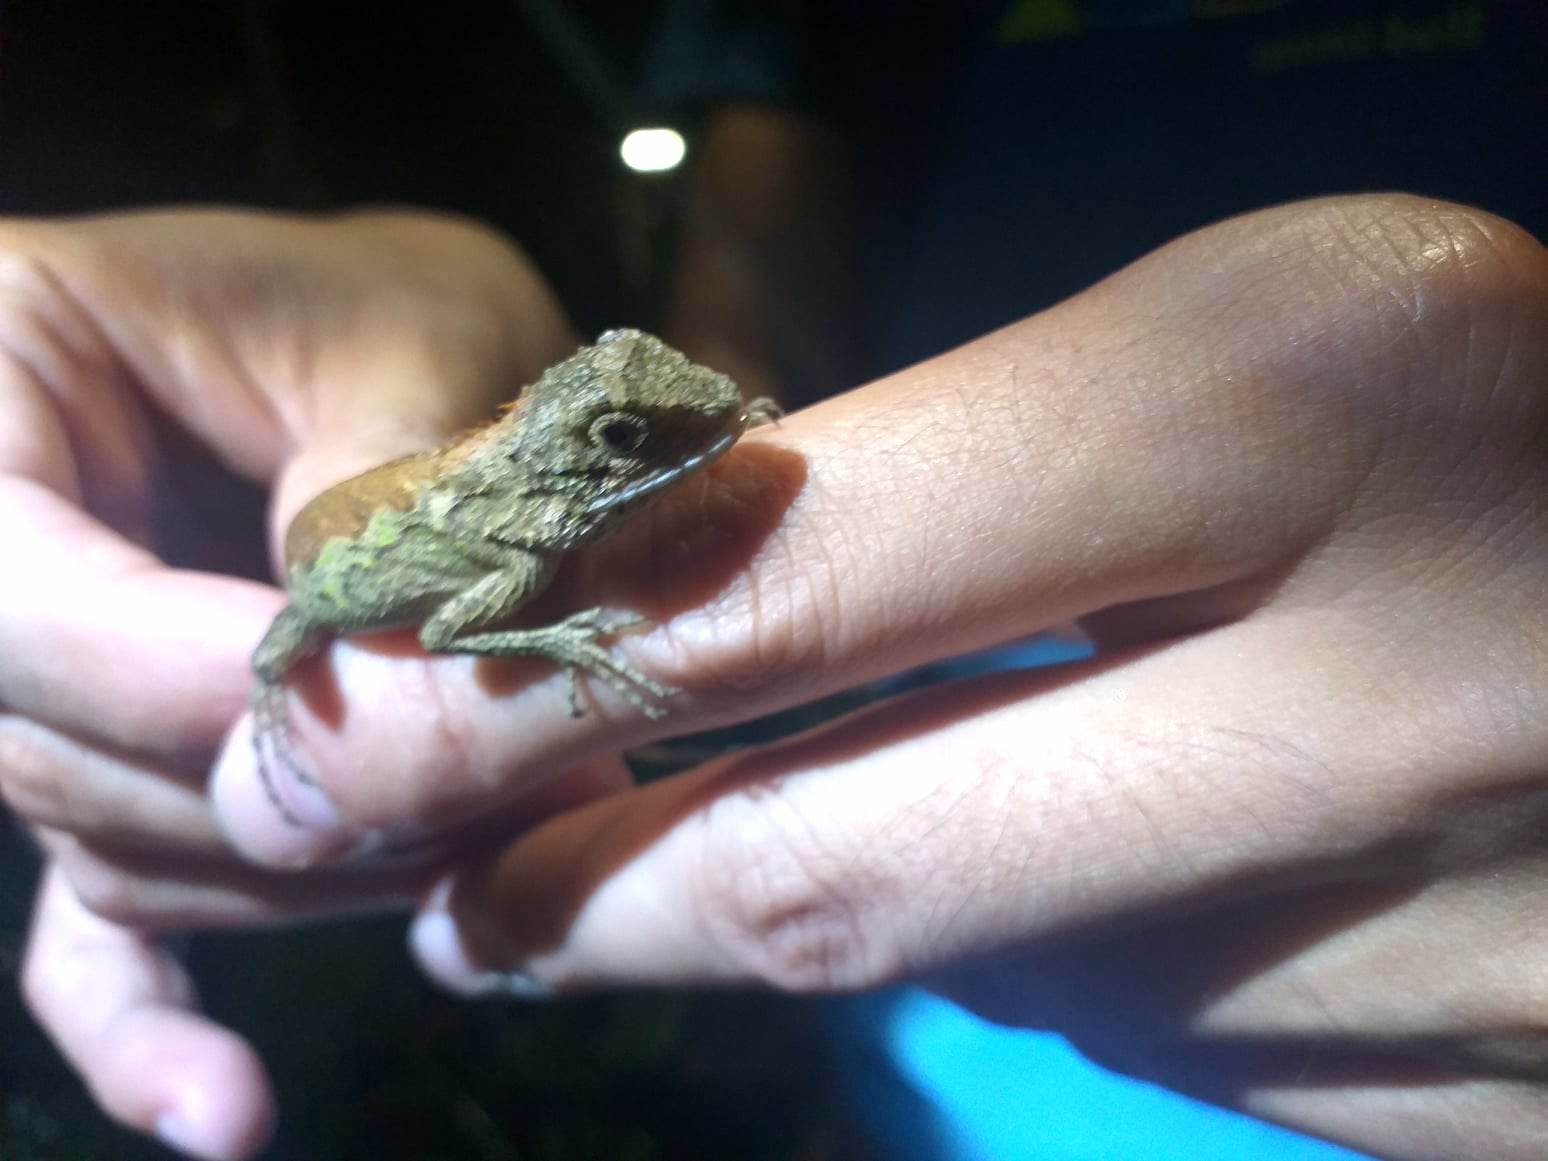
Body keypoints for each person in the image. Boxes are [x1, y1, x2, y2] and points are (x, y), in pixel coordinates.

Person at [2, 190, 1545, 1161]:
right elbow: (459, 629)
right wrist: (529, 630)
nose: (685, 412)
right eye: (622, 429)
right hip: (928, 1069)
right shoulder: (511, 544)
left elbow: (707, 377)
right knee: (295, 655)